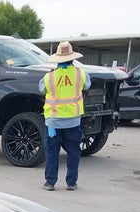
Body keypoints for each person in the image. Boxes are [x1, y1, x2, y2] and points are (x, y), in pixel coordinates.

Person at [40, 41, 91, 191]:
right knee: (73, 151)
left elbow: (41, 88)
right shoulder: (81, 73)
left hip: (53, 123)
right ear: (72, 58)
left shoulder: (49, 76)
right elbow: (87, 85)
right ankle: (71, 183)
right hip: (73, 121)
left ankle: (50, 182)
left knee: (52, 151)